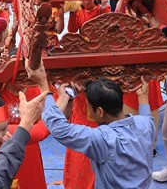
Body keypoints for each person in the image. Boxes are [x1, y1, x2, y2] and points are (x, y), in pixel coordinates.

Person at [26, 60, 155, 189]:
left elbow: (60, 129)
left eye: (90, 109)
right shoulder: (145, 124)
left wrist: (43, 86)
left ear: (100, 111)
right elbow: (146, 115)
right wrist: (143, 97)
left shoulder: (104, 139)